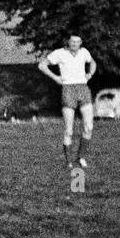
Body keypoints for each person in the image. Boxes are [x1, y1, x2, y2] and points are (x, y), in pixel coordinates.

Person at [39, 35, 96, 168]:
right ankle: (69, 161)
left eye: (77, 42)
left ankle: (81, 157)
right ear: (68, 42)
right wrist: (55, 77)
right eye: (72, 41)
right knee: (69, 130)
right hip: (68, 89)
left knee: (89, 127)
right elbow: (42, 65)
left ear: (80, 43)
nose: (75, 44)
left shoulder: (84, 52)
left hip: (83, 87)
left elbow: (93, 62)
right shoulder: (59, 53)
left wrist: (90, 74)